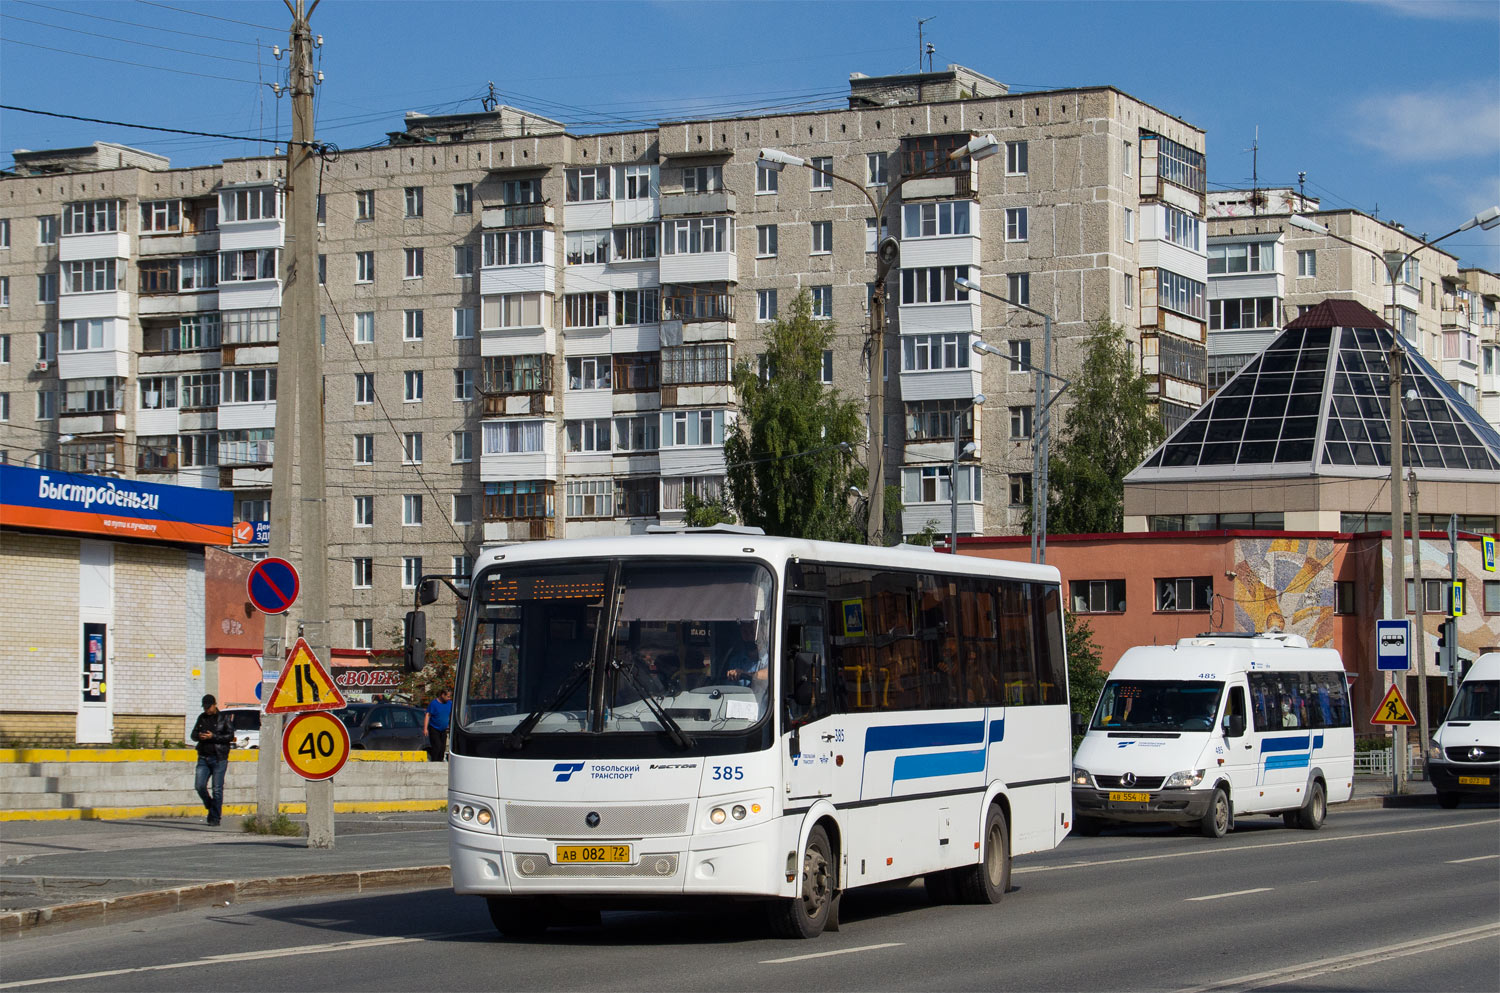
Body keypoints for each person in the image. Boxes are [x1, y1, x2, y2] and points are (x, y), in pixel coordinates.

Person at [190, 694, 234, 826]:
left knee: (217, 789)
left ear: (214, 705)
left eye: (209, 707)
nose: (207, 710)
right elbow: (193, 735)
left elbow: (230, 736)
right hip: (203, 757)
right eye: (205, 707)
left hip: (219, 758)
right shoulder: (202, 718)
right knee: (199, 786)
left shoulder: (224, 718)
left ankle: (215, 818)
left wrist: (213, 736)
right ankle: (211, 805)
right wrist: (199, 736)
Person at [722, 620, 769, 690]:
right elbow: (730, 690)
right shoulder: (735, 661)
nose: (749, 636)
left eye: (752, 631)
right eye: (745, 632)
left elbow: (771, 675)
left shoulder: (770, 658)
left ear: (760, 634)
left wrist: (746, 675)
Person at [423, 687, 453, 762]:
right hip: (434, 728)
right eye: (448, 696)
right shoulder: (434, 704)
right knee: (437, 746)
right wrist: (425, 728)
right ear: (443, 695)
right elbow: (428, 715)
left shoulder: (450, 703)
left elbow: (451, 715)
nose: (449, 698)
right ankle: (434, 761)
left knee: (442, 748)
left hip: (443, 729)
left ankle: (439, 762)